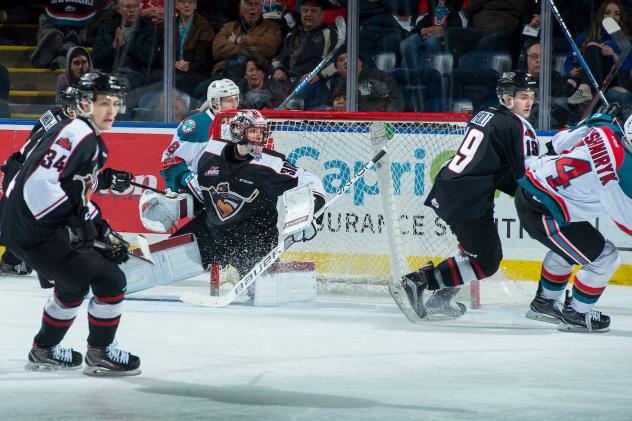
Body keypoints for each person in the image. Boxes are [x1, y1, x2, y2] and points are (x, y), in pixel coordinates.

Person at [0, 73, 140, 375]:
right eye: (105, 103)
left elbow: (74, 193)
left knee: (73, 284)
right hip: (32, 227)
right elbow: (38, 186)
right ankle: (100, 353)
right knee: (110, 282)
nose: (112, 111)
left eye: (116, 103)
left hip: (25, 224)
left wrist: (97, 228)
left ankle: (44, 350)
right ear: (86, 104)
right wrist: (82, 228)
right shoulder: (77, 135)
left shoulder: (84, 135)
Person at [393, 71, 540, 320]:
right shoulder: (517, 127)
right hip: (467, 199)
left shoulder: (486, 114)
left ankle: (442, 299)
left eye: (531, 97)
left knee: (471, 250)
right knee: (487, 261)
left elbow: (495, 165)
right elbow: (526, 175)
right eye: (523, 96)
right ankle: (418, 281)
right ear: (506, 98)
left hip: (452, 188)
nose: (529, 103)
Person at [513, 107, 632, 332]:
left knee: (570, 249)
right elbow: (627, 223)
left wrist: (598, 118)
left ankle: (544, 303)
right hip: (546, 210)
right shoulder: (622, 174)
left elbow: (557, 143)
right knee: (605, 257)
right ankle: (576, 314)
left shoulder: (606, 128)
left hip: (535, 191)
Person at [170, 109, 325, 279]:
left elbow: (310, 180)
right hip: (213, 232)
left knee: (260, 289)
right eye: (253, 131)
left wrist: (310, 211)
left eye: (262, 132)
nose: (259, 137)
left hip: (253, 239)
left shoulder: (270, 164)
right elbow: (199, 194)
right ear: (237, 131)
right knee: (169, 255)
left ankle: (279, 272)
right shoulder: (211, 153)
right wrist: (173, 206)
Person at [161, 79, 240, 192]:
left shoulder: (236, 123)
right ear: (214, 103)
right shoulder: (196, 125)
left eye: (236, 99)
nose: (234, 105)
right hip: (193, 191)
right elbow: (170, 160)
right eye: (229, 100)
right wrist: (186, 180)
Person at [270, 0, 337, 109]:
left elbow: (338, 62)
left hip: (314, 84)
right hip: (289, 81)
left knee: (296, 99)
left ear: (322, 14)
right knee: (265, 92)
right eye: (305, 10)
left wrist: (318, 75)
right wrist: (277, 69)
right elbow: (278, 57)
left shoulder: (329, 33)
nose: (308, 14)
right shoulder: (292, 34)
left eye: (313, 11)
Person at [92, 0, 161, 90]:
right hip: (110, 72)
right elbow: (95, 59)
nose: (132, 10)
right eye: (127, 7)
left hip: (137, 74)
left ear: (140, 8)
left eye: (135, 6)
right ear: (119, 9)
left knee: (119, 82)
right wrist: (113, 47)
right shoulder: (106, 28)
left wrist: (125, 45)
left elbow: (148, 58)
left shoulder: (150, 28)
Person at [174, 0, 216, 97]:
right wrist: (174, 63)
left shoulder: (205, 26)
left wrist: (185, 66)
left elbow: (201, 58)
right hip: (174, 68)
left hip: (196, 72)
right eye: (182, 2)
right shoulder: (170, 24)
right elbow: (164, 52)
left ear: (195, 5)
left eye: (191, 2)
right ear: (176, 5)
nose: (187, 5)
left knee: (178, 80)